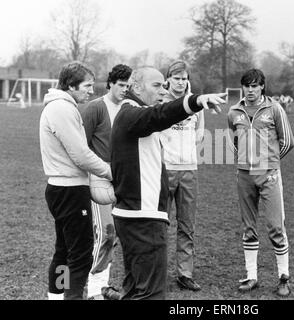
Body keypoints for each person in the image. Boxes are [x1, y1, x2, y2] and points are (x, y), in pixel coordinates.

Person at [110, 66, 226, 300]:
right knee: (151, 294)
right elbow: (160, 115)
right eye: (157, 85)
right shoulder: (131, 113)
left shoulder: (134, 113)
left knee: (134, 290)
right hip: (142, 220)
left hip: (136, 217)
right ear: (137, 87)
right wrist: (195, 101)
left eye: (164, 85)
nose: (163, 90)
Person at [39, 61, 112, 300]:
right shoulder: (62, 108)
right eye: (87, 85)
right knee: (80, 255)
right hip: (69, 191)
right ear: (71, 85)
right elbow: (81, 155)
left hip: (62, 189)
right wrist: (110, 172)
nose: (91, 90)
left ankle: (57, 297)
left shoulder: (61, 106)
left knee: (64, 250)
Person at [227, 69, 294, 297]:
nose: (251, 90)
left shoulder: (274, 109)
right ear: (242, 88)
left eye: (255, 86)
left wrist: (270, 164)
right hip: (244, 175)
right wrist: (245, 161)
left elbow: (288, 142)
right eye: (247, 86)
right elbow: (233, 142)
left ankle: (283, 278)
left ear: (262, 87)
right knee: (248, 227)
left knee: (276, 226)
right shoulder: (234, 112)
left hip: (269, 175)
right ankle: (251, 276)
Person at [80, 64, 132, 300]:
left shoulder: (130, 108)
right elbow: (81, 146)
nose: (124, 90)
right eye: (121, 85)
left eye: (128, 86)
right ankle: (93, 289)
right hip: (98, 180)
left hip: (122, 181)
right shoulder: (95, 108)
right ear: (110, 83)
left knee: (116, 234)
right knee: (105, 232)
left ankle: (102, 284)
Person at [159, 60, 204, 291]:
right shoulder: (159, 101)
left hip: (189, 171)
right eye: (176, 78)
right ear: (168, 79)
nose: (181, 82)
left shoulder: (196, 103)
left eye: (184, 78)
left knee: (187, 225)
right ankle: (157, 274)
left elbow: (199, 135)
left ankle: (185, 274)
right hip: (165, 170)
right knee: (160, 225)